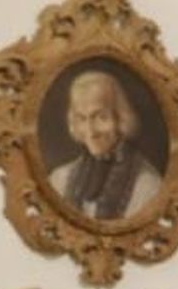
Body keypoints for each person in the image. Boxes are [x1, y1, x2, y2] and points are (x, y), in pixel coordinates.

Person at [47, 69, 163, 220]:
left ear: (121, 117)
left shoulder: (148, 185)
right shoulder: (59, 179)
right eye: (82, 118)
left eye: (101, 117)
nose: (91, 132)